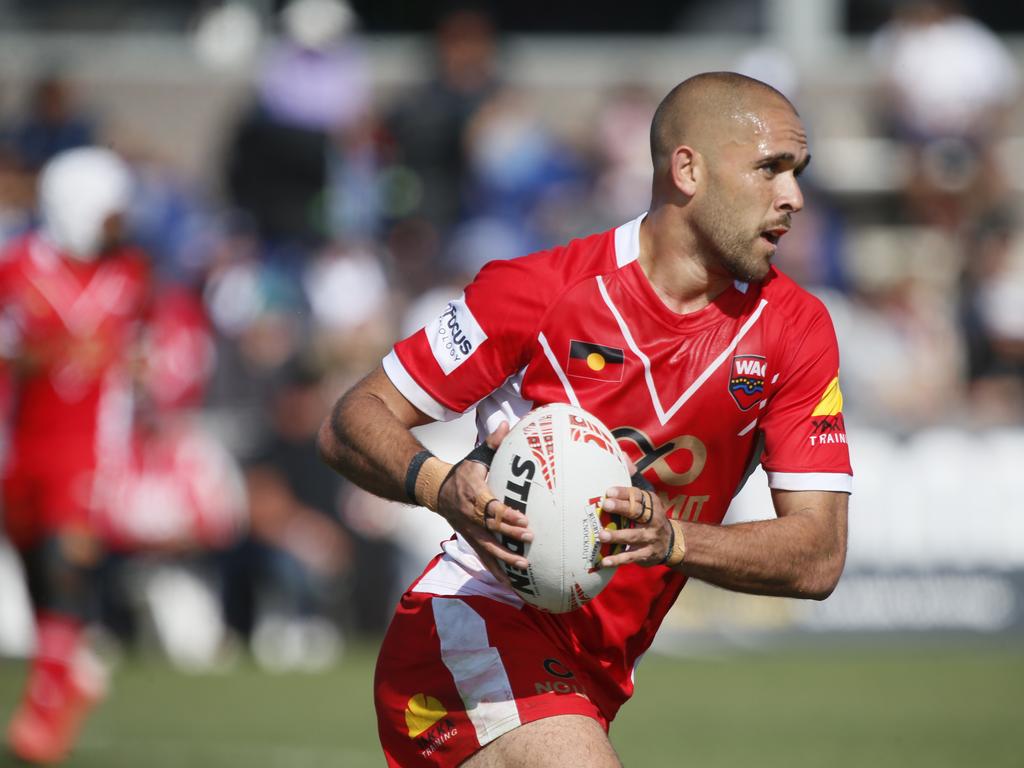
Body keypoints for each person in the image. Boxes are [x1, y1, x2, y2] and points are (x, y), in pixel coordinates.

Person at [318, 72, 853, 767]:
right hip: (470, 624)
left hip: (594, 672)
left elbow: (818, 555)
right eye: (769, 169)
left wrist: (675, 541)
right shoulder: (538, 290)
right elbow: (352, 418)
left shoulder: (795, 330)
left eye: (797, 173)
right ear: (687, 169)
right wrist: (440, 486)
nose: (794, 197)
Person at [1, 147, 149, 764]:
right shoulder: (16, 267)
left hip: (89, 443)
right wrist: (54, 350)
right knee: (36, 560)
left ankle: (42, 708)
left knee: (67, 554)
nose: (122, 222)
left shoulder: (130, 274)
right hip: (23, 440)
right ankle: (69, 671)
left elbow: (139, 350)